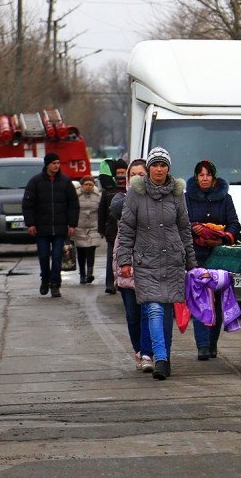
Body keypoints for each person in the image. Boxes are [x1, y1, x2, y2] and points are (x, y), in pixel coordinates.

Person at [115, 147, 199, 381]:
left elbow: (184, 228)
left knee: (167, 310)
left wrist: (192, 262)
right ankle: (159, 357)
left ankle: (165, 356)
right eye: (155, 165)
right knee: (152, 308)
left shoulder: (177, 194)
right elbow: (127, 229)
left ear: (168, 168)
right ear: (148, 169)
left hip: (172, 260)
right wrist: (124, 260)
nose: (159, 169)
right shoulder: (135, 194)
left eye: (163, 165)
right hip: (146, 260)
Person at [184, 159, 241, 361]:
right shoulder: (186, 198)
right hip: (196, 255)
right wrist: (193, 229)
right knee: (200, 298)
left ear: (214, 177)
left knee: (215, 300)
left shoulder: (225, 199)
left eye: (208, 174)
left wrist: (221, 238)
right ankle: (202, 345)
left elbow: (235, 225)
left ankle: (213, 343)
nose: (205, 178)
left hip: (218, 256)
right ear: (196, 177)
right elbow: (181, 223)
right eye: (201, 175)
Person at [110, 160, 153, 371]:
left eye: (141, 174)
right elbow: (117, 207)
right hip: (127, 264)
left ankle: (147, 353)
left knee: (148, 312)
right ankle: (138, 349)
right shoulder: (121, 199)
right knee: (132, 315)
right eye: (132, 174)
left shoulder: (156, 198)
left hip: (150, 265)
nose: (137, 177)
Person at [22, 152, 79, 298]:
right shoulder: (35, 182)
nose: (56, 166)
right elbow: (28, 205)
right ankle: (45, 279)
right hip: (42, 228)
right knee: (43, 256)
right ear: (47, 164)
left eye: (58, 163)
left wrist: (72, 224)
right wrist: (30, 223)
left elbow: (73, 204)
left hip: (60, 228)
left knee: (57, 256)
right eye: (53, 163)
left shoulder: (65, 182)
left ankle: (55, 284)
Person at [98, 159, 127, 294]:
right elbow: (102, 211)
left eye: (123, 172)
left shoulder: (130, 190)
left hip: (127, 231)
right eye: (118, 172)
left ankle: (123, 282)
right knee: (111, 257)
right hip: (112, 231)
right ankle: (110, 283)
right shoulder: (108, 191)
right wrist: (101, 229)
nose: (120, 175)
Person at [74, 175, 101, 285]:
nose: (88, 187)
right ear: (82, 185)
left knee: (91, 249)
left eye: (91, 184)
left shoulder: (98, 195)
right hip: (79, 226)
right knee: (81, 252)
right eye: (86, 184)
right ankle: (82, 274)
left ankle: (90, 273)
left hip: (93, 226)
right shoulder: (76, 195)